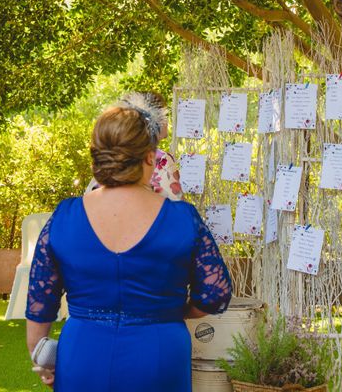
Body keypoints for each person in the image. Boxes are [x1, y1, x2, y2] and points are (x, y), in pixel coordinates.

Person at [25, 98, 232, 391]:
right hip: (160, 353)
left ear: (97, 156)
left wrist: (43, 361)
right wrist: (178, 310)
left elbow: (39, 301)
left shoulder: (65, 216)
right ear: (150, 157)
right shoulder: (182, 218)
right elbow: (215, 293)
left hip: (83, 352)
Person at [85, 92, 183, 201]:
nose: (167, 121)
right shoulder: (162, 160)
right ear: (157, 119)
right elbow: (177, 204)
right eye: (165, 115)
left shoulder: (113, 154)